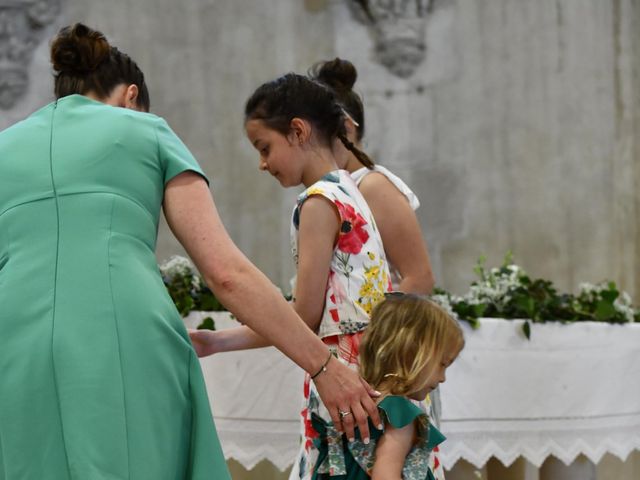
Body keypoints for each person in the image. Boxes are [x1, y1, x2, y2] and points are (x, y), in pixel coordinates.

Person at [0, 24, 381, 479]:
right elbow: (226, 274)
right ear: (131, 97)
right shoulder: (145, 130)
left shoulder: (5, 146)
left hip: (14, 343)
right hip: (124, 335)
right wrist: (323, 366)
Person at [189, 73, 392, 479]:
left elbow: (303, 319)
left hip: (345, 373)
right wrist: (214, 341)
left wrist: (220, 341)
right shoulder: (350, 188)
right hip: (375, 363)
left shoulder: (318, 202)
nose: (262, 164)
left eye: (265, 148)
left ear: (297, 130)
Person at [309, 58, 435, 295]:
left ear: (347, 128)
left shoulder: (373, 186)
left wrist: (372, 331)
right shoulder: (328, 191)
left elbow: (419, 279)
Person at [312, 293, 464, 479]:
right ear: (411, 353)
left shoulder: (358, 404)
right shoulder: (399, 414)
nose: (443, 378)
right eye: (442, 364)